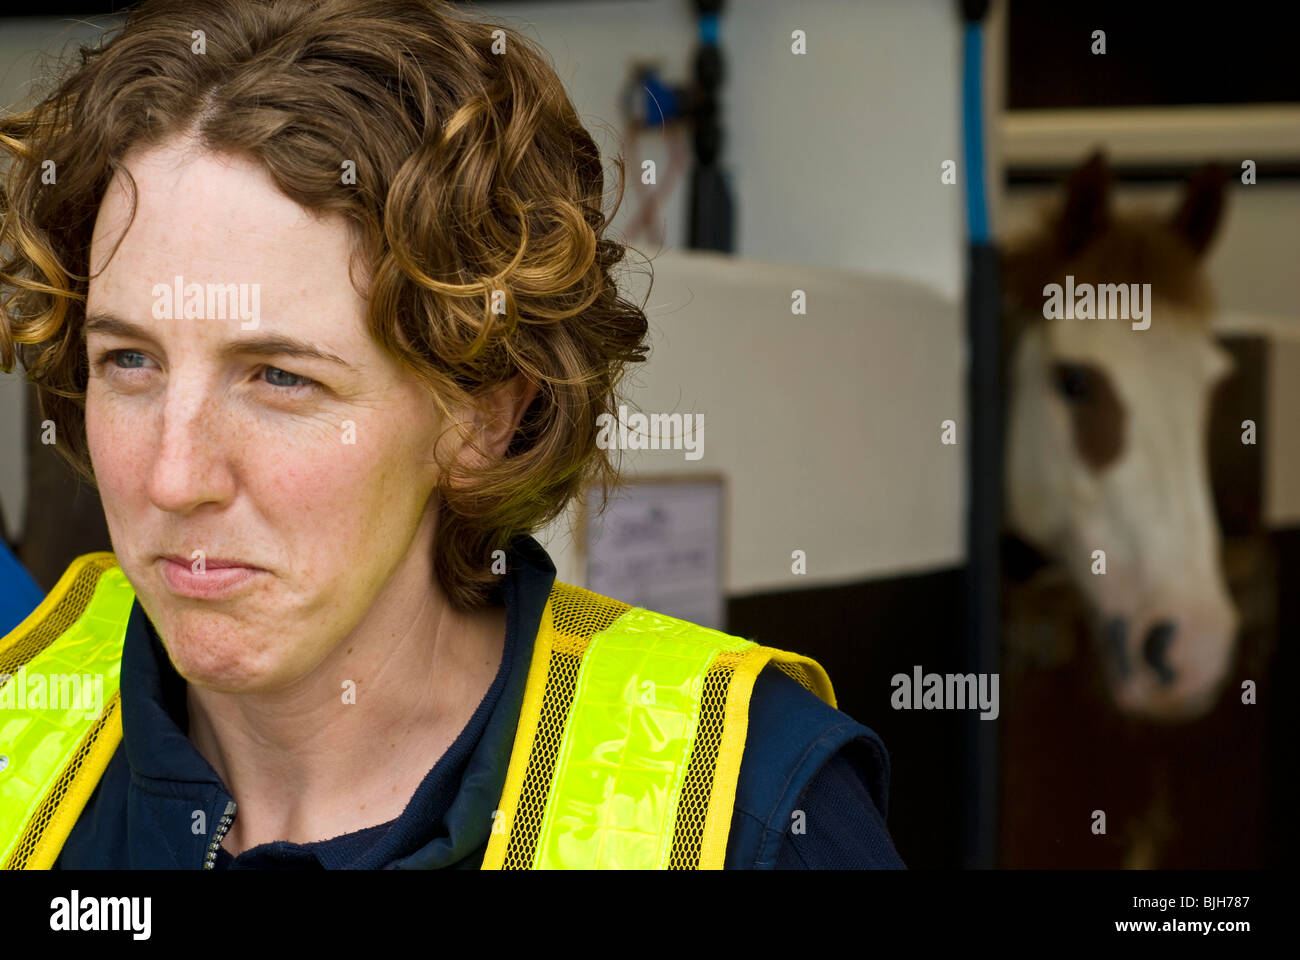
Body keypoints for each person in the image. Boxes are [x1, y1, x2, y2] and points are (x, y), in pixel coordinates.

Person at [0, 0, 904, 870]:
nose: (172, 476)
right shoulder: (18, 729)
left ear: (484, 415)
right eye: (129, 362)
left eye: (281, 377)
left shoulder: (739, 804)